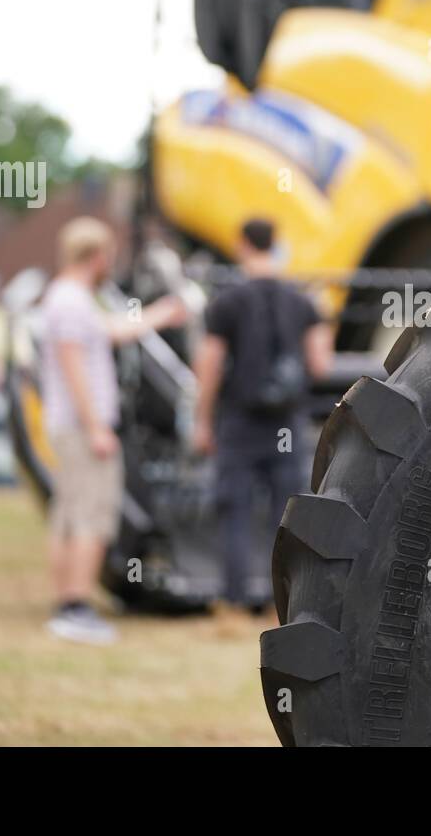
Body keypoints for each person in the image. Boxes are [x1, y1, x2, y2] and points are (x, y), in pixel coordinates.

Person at [40, 216, 186, 644]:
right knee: (91, 516)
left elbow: (114, 332)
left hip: (71, 425)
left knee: (69, 514)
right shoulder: (71, 301)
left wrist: (160, 313)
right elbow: (73, 369)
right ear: (98, 255)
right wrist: (97, 427)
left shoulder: (70, 298)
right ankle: (75, 607)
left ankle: (67, 601)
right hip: (84, 427)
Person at [191, 218, 332, 614]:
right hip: (287, 421)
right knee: (286, 515)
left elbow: (209, 365)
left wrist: (201, 421)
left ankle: (233, 602)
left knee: (233, 509)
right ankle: (281, 603)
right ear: (276, 244)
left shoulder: (226, 301)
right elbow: (319, 364)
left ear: (242, 246)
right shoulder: (302, 300)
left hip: (239, 420)